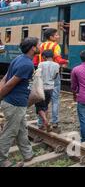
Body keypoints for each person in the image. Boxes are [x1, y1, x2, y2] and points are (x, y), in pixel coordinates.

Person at [0, 37, 39, 167]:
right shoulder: (26, 64)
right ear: (33, 48)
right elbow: (9, 84)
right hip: (14, 103)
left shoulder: (19, 58)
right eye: (38, 45)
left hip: (18, 103)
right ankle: (1, 159)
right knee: (10, 131)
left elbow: (5, 77)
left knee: (22, 129)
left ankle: (28, 154)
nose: (40, 46)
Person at [35, 28, 68, 132]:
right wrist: (66, 61)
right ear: (51, 37)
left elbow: (35, 60)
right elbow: (58, 59)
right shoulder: (55, 46)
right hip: (53, 74)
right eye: (57, 35)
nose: (58, 36)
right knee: (55, 99)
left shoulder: (41, 46)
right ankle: (54, 121)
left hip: (42, 74)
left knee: (41, 99)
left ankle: (40, 122)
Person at [35, 50, 60, 132]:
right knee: (45, 106)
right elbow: (56, 76)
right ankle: (44, 124)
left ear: (44, 57)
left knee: (39, 107)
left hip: (41, 88)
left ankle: (43, 122)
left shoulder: (41, 64)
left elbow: (38, 75)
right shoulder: (57, 65)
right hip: (50, 88)